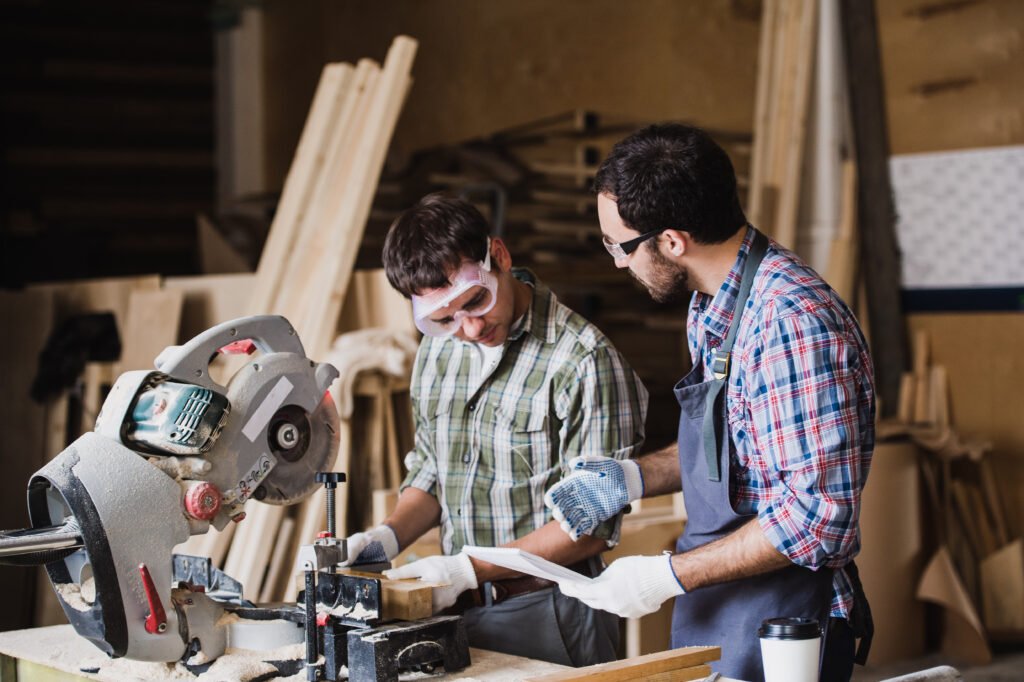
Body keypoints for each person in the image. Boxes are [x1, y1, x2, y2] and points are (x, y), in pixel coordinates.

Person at [543, 123, 874, 682]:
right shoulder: (714, 304)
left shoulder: (790, 323)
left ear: (672, 241)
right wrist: (630, 477)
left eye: (619, 246)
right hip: (723, 605)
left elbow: (819, 521)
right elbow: (739, 446)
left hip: (786, 626)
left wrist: (666, 576)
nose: (619, 264)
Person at [344, 193, 648, 666]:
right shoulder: (438, 351)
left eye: (476, 302)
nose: (468, 329)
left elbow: (591, 527)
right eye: (443, 320)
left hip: (551, 609)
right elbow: (431, 471)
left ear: (499, 257)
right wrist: (383, 540)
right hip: (455, 612)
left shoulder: (583, 360)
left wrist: (467, 568)